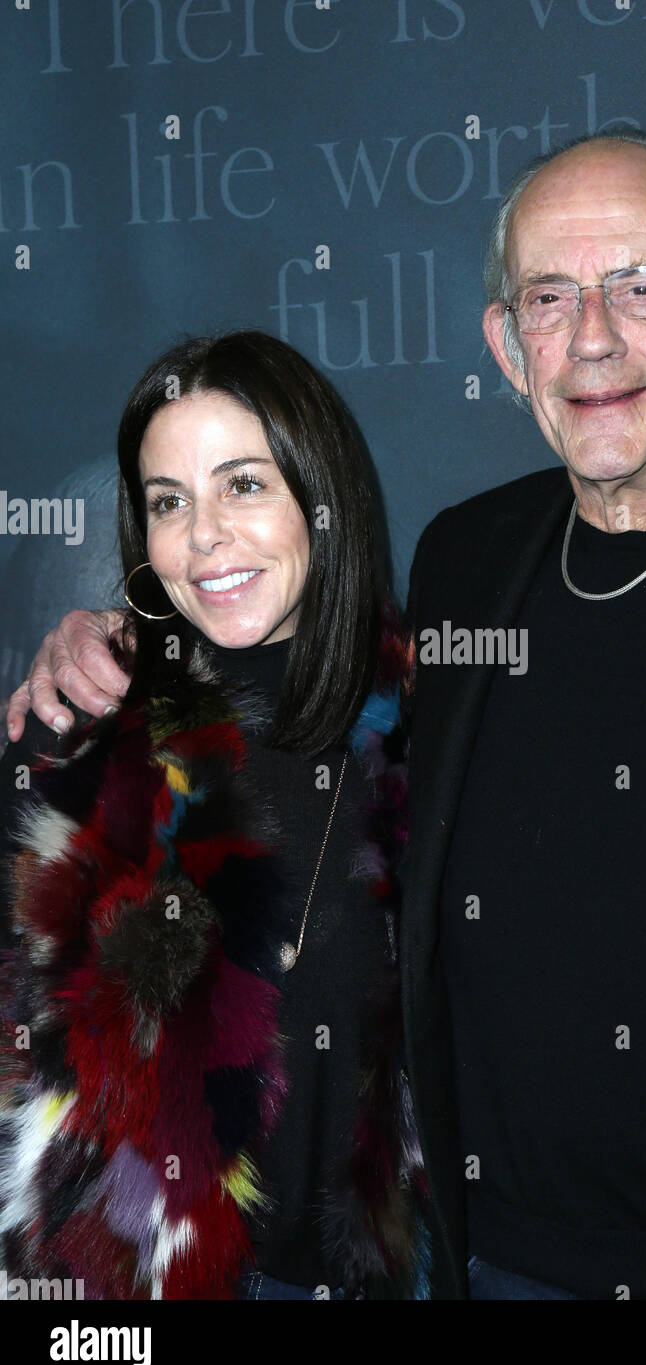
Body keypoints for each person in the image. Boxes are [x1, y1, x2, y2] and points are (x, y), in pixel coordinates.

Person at [9, 131, 646, 1302]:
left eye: (640, 287)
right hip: (473, 1262)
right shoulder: (470, 557)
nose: (591, 336)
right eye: (549, 298)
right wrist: (100, 648)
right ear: (508, 347)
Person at [0, 330, 429, 1300]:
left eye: (243, 485)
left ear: (323, 499)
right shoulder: (75, 736)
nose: (202, 536)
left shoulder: (429, 734)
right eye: (167, 502)